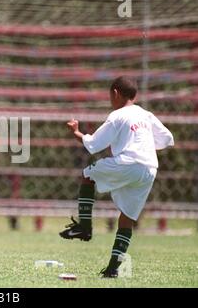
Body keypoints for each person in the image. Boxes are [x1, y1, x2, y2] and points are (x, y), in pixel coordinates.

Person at [59, 76, 174, 278]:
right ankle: (112, 269)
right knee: (127, 218)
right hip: (149, 169)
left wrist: (76, 131)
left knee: (87, 175)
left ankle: (84, 228)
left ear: (115, 93)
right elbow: (166, 138)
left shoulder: (117, 116)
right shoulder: (146, 115)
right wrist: (143, 144)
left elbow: (93, 144)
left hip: (128, 163)